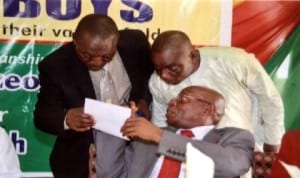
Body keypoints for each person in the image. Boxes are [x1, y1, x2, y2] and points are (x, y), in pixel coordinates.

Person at [34, 14, 153, 178]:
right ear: (75, 39)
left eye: (106, 57)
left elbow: (151, 75)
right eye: (87, 55)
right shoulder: (56, 65)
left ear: (116, 42)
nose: (96, 62)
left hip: (135, 152)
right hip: (82, 158)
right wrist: (66, 118)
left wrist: (144, 101)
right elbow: (42, 116)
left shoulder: (135, 43)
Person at [148, 30, 284, 153]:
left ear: (192, 55)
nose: (164, 75)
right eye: (159, 69)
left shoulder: (234, 61)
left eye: (173, 68)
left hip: (243, 153)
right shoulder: (157, 83)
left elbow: (270, 100)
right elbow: (161, 125)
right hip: (189, 158)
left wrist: (272, 146)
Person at [121, 86, 255, 178]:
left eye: (182, 100)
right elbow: (112, 172)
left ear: (208, 110)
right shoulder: (146, 137)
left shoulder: (236, 137)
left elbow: (232, 165)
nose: (172, 103)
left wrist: (160, 137)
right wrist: (119, 121)